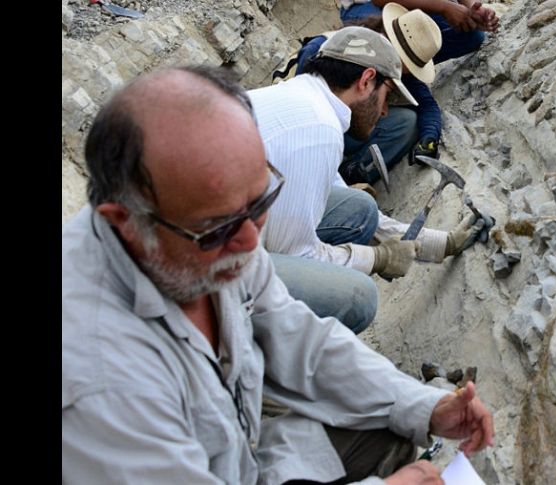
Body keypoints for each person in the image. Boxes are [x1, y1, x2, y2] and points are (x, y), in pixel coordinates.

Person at [62, 65, 495, 484]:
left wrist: (426, 406)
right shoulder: (99, 382)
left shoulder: (206, 241)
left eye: (259, 202)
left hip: (244, 456)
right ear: (125, 223)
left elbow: (299, 336)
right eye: (220, 227)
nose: (251, 243)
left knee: (392, 422)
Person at [249, 27, 486, 334]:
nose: (386, 110)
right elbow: (296, 255)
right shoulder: (318, 131)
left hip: (209, 230)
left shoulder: (305, 97)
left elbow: (345, 199)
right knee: (357, 298)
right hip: (193, 274)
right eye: (387, 95)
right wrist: (376, 258)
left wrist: (439, 245)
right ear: (365, 81)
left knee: (357, 207)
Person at [293, 5, 443, 185]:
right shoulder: (325, 48)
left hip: (344, 130)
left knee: (407, 121)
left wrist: (429, 138)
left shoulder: (399, 70)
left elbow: (428, 105)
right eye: (406, 65)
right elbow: (299, 107)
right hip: (306, 131)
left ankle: (351, 175)